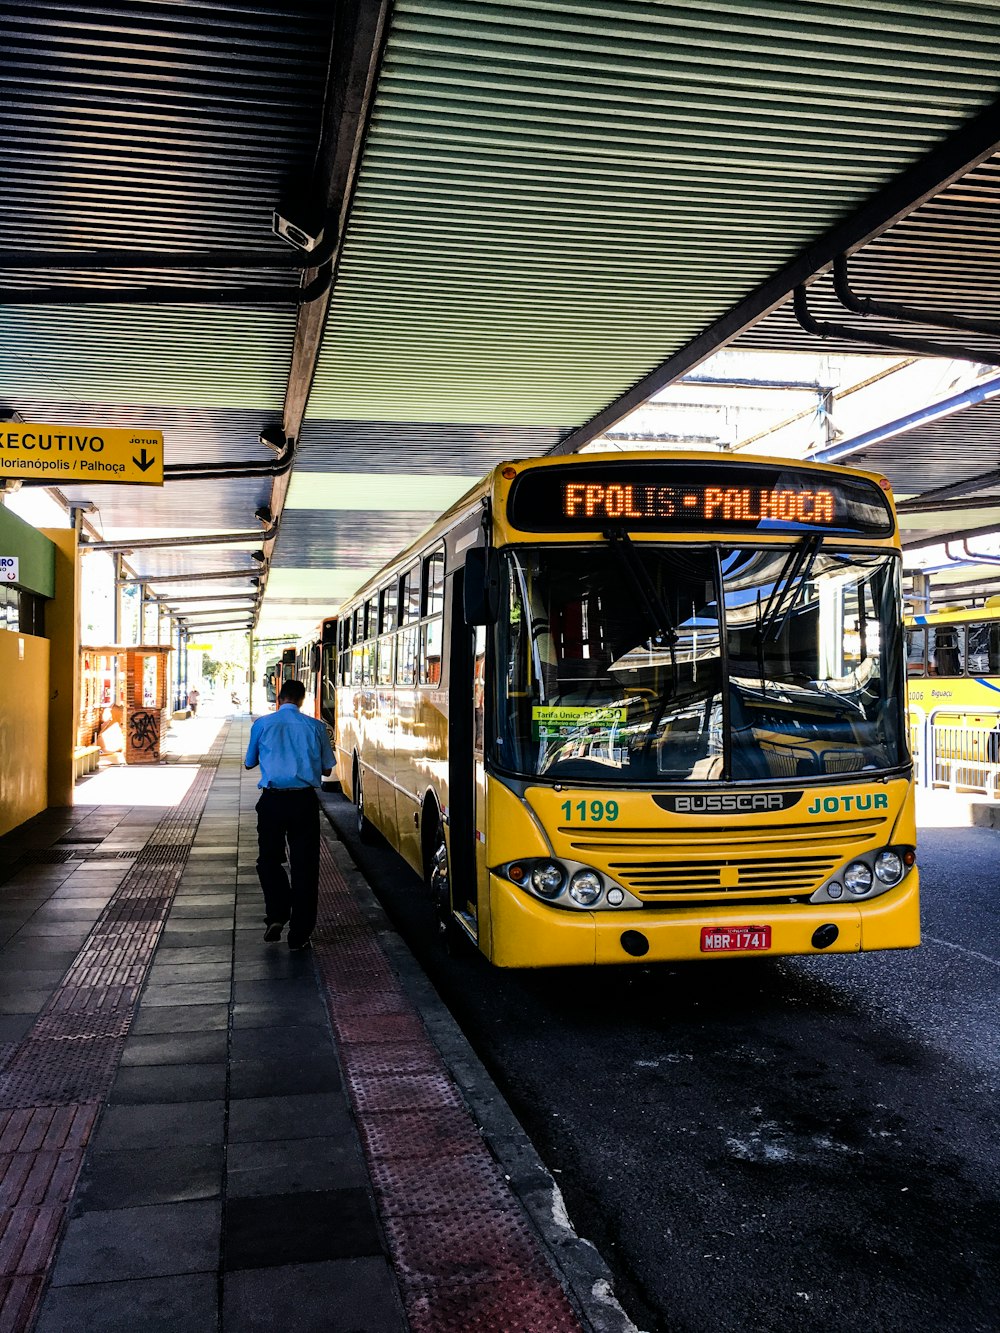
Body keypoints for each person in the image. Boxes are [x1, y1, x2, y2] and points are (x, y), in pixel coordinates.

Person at [244, 678, 335, 950]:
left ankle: (277, 913)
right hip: (304, 802)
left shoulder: (262, 724)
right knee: (305, 867)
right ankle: (299, 935)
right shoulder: (316, 727)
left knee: (268, 861)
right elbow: (328, 770)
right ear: (302, 700)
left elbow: (249, 762)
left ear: (279, 699)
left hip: (272, 802)